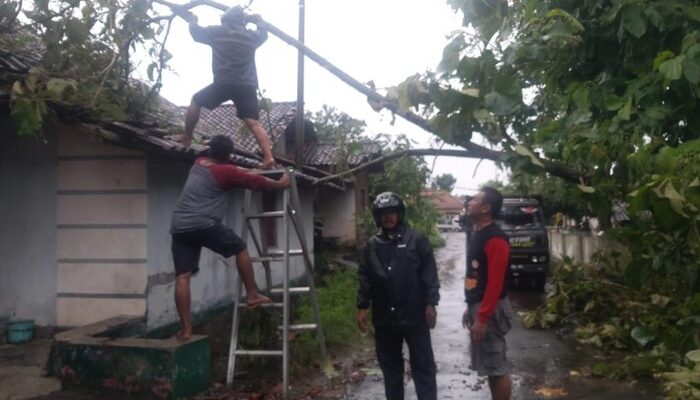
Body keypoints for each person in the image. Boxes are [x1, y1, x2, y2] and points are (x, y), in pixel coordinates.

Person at [170, 135, 289, 341]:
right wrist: (282, 184)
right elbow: (258, 183)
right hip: (203, 223)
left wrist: (258, 167)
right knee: (240, 248)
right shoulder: (225, 172)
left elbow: (239, 173)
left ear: (210, 151)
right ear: (228, 155)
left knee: (182, 276)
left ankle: (186, 330)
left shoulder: (199, 163)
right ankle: (252, 294)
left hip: (179, 226)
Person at [357, 192, 440, 400]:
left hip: (415, 315)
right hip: (385, 318)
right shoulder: (371, 246)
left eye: (392, 212)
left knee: (423, 366)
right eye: (384, 213)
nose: (389, 217)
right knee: (391, 370)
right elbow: (365, 278)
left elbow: (430, 274)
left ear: (400, 214)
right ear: (378, 217)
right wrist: (362, 307)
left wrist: (431, 303)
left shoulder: (417, 239)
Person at [180, 7, 275, 169]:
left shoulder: (218, 32)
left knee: (196, 100)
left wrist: (192, 21)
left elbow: (196, 33)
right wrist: (259, 20)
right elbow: (263, 33)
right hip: (247, 85)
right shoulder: (250, 36)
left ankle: (187, 137)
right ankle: (268, 157)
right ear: (242, 21)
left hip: (224, 82)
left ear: (225, 19)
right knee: (254, 123)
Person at [462, 187, 513, 400]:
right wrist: (470, 307)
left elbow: (495, 282)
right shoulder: (478, 234)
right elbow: (476, 275)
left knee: (496, 367)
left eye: (474, 199)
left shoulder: (495, 239)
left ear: (486, 208)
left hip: (489, 310)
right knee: (490, 367)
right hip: (480, 306)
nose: (469, 202)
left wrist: (483, 317)